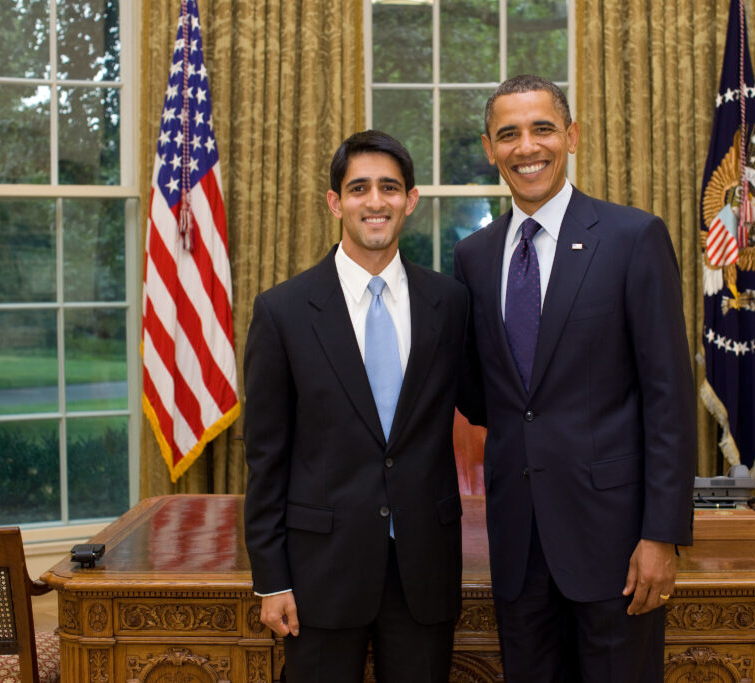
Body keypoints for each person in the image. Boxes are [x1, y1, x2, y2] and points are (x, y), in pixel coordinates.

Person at [452, 74, 697, 682]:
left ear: (572, 136)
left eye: (542, 128)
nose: (526, 147)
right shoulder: (474, 257)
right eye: (508, 134)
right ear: (489, 149)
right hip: (518, 543)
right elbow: (484, 394)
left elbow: (668, 397)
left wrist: (661, 536)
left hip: (615, 542)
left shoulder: (632, 237)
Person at [243, 130, 470, 682]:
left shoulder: (450, 302)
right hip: (321, 571)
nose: (375, 201)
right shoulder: (283, 311)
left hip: (424, 567)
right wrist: (272, 579)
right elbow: (265, 457)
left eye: (389, 188)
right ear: (335, 202)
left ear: (410, 200)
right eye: (359, 188)